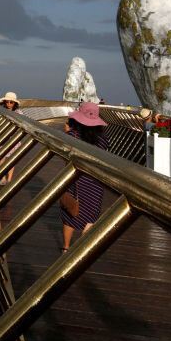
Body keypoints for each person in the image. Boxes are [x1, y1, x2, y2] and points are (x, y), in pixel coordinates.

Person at [60, 101, 109, 253]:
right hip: (95, 181)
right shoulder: (102, 139)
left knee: (71, 213)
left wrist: (67, 132)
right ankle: (79, 252)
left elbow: (64, 156)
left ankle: (66, 248)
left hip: (76, 179)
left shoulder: (72, 135)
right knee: (90, 218)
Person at [0, 92, 23, 186]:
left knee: (11, 159)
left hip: (13, 138)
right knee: (1, 158)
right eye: (7, 102)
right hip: (4, 138)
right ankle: (3, 178)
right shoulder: (2, 111)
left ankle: (9, 180)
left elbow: (21, 124)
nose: (8, 104)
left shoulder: (18, 113)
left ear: (14, 103)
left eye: (11, 102)